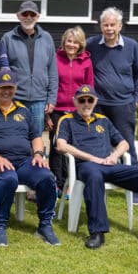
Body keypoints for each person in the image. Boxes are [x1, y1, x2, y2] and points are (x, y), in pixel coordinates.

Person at [55, 84, 138, 249]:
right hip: (86, 166)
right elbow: (61, 146)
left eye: (89, 100)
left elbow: (124, 144)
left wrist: (113, 157)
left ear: (95, 101)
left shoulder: (104, 120)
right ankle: (97, 232)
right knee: (94, 175)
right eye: (81, 100)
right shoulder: (67, 120)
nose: (86, 103)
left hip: (109, 165)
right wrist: (92, 158)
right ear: (75, 102)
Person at [0, 68, 60, 247]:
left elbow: (36, 137)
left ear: (15, 88)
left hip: (23, 160)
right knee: (8, 178)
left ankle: (45, 225)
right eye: (2, 87)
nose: (6, 91)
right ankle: (0, 226)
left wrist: (39, 155)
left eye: (10, 87)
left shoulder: (23, 111)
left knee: (47, 177)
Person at [85, 7, 138, 167]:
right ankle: (100, 183)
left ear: (119, 26)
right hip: (98, 105)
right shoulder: (91, 44)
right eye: (106, 25)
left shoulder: (132, 46)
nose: (109, 29)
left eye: (112, 25)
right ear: (101, 26)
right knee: (98, 145)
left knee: (127, 145)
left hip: (124, 105)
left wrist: (136, 99)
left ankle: (135, 187)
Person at [46, 26, 93, 195]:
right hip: (57, 109)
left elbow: (89, 88)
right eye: (69, 41)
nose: (71, 44)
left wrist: (87, 111)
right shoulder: (56, 58)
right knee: (57, 148)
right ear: (64, 42)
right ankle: (55, 184)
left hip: (77, 111)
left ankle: (69, 184)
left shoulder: (86, 61)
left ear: (80, 44)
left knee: (73, 147)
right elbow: (50, 84)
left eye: (75, 42)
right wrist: (48, 114)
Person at [1, 1, 58, 135]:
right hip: (15, 98)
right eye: (24, 13)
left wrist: (51, 98)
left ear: (37, 16)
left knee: (36, 136)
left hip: (39, 100)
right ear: (18, 16)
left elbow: (52, 71)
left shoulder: (47, 38)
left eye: (32, 14)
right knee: (14, 134)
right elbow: (4, 69)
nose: (28, 17)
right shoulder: (8, 38)